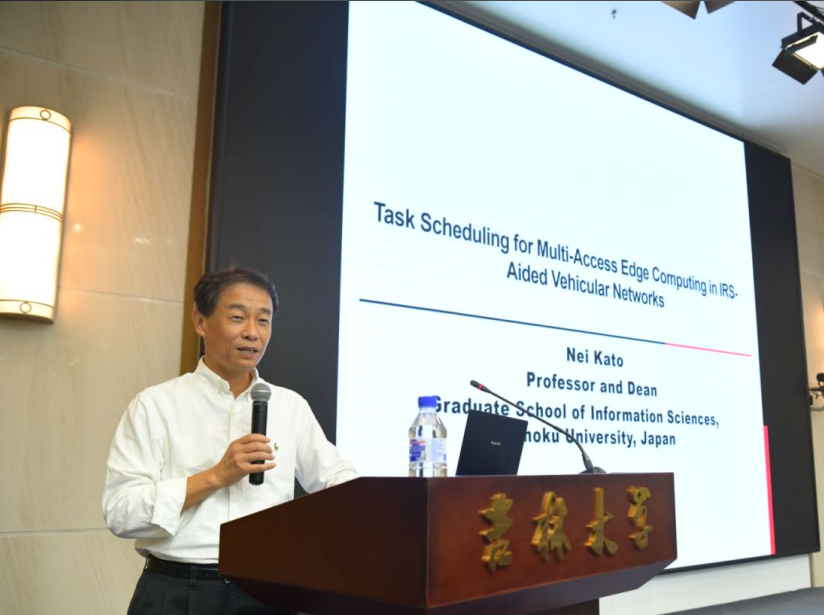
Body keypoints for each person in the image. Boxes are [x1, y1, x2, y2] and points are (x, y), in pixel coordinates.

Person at [102, 267, 357, 614]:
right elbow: (121, 512)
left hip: (269, 591)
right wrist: (216, 476)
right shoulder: (155, 405)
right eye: (237, 317)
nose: (252, 332)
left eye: (263, 321)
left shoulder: (290, 406)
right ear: (200, 321)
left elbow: (336, 481)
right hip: (179, 590)